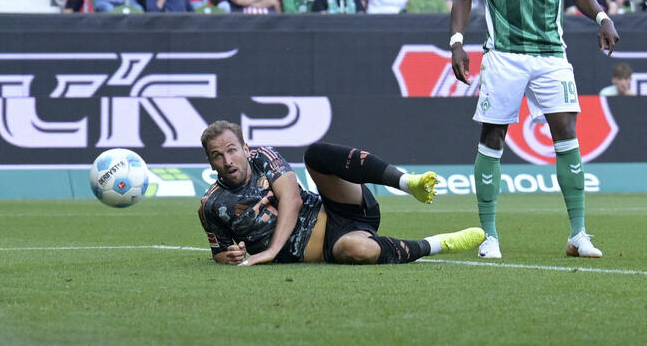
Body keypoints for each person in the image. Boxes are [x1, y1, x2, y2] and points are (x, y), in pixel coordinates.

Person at [450, 0, 620, 261]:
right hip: (503, 55)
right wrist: (457, 43)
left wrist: (601, 17)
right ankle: (488, 236)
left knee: (567, 134)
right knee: (492, 139)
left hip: (550, 55)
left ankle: (578, 234)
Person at [198, 120, 484, 266]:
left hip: (339, 206)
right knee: (357, 250)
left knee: (316, 154)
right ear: (210, 162)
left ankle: (407, 182)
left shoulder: (263, 156)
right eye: (217, 156)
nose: (228, 160)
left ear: (245, 150)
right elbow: (220, 254)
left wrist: (272, 250)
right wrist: (232, 256)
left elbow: (292, 199)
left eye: (232, 150)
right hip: (334, 244)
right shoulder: (212, 205)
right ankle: (436, 244)